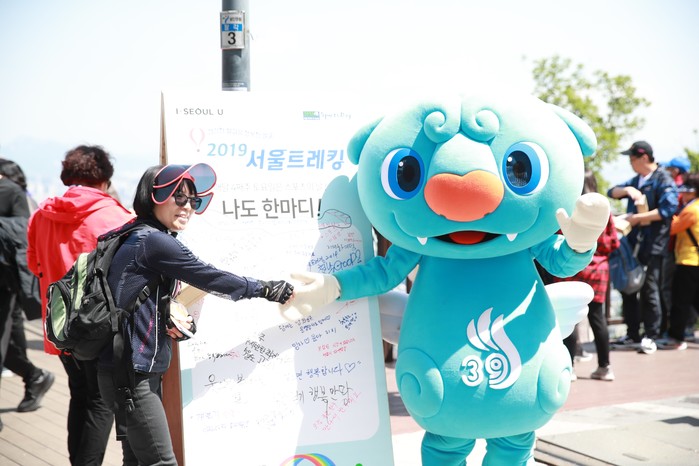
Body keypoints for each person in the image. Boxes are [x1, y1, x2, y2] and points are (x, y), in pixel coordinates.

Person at [96, 163, 294, 466]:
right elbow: (210, 277)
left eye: (194, 200)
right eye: (179, 197)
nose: (188, 207)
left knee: (136, 461)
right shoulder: (155, 241)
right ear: (154, 196)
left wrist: (164, 315)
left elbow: (128, 297)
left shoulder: (131, 233)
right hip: (132, 375)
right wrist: (266, 289)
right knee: (162, 462)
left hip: (121, 368)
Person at [27, 145, 134, 464]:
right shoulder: (118, 217)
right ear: (105, 178)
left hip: (58, 326)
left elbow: (34, 265)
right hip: (99, 330)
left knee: (80, 395)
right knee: (99, 402)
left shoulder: (41, 214)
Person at [607, 141, 678, 354]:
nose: (630, 163)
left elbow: (668, 209)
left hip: (653, 245)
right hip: (632, 244)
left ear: (644, 157)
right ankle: (632, 334)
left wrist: (637, 218)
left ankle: (651, 335)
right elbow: (611, 192)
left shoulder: (663, 179)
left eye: (632, 159)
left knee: (649, 289)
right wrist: (627, 190)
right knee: (628, 287)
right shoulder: (636, 180)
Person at [551, 171, 620, 381]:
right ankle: (605, 367)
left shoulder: (569, 208)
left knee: (569, 316)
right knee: (598, 318)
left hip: (571, 268)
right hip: (598, 270)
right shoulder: (604, 212)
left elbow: (558, 239)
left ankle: (569, 367)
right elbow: (613, 242)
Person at [0, 158, 55, 414]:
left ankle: (35, 377)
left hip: (7, 281)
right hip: (10, 281)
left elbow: (22, 232)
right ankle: (35, 376)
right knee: (10, 341)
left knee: (8, 338)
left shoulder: (11, 192)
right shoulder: (14, 191)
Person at [660, 174, 699, 350]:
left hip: (688, 260)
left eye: (686, 191)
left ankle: (676, 338)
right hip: (694, 260)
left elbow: (673, 228)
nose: (682, 194)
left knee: (680, 301)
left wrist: (673, 216)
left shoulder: (691, 210)